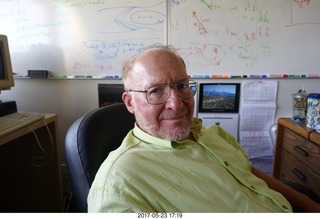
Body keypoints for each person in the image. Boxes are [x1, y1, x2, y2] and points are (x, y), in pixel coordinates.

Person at [87, 44, 319, 212]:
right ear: (129, 103)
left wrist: (308, 205)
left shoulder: (214, 135)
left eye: (182, 86)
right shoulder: (118, 184)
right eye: (155, 91)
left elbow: (248, 174)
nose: (176, 103)